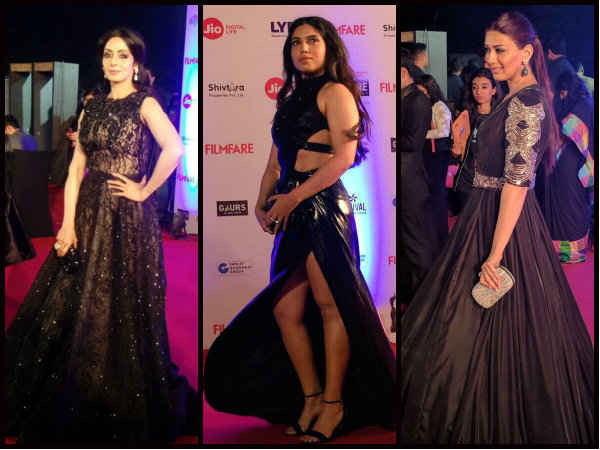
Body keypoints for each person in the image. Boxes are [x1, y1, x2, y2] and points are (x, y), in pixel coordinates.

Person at [400, 12, 594, 445]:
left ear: (526, 52)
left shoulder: (526, 102)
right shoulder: (516, 96)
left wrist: (495, 252)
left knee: (479, 325)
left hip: (502, 224)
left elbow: (517, 184)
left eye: (499, 49)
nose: (489, 58)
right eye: (487, 49)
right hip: (484, 215)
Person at [204, 16, 395, 444]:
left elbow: (343, 158)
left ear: (329, 47)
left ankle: (334, 403)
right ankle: (309, 397)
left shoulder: (336, 92)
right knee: (285, 310)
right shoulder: (289, 98)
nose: (303, 49)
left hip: (323, 208)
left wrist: (292, 199)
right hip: (291, 206)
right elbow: (275, 161)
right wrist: (263, 198)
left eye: (312, 40)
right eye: (295, 43)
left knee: (330, 307)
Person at [3, 27, 199, 443]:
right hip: (90, 208)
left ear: (136, 62)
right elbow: (76, 169)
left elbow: (175, 148)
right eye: (108, 54)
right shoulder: (91, 107)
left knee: (121, 295)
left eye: (122, 55)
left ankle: (114, 382)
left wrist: (144, 190)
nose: (114, 62)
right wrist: (67, 223)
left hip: (127, 214)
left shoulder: (145, 103)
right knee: (75, 289)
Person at [400, 48, 436, 311]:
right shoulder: (406, 98)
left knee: (416, 242)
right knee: (407, 242)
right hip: (404, 179)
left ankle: (425, 300)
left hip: (411, 181)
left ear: (403, 72)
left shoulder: (418, 100)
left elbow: (413, 142)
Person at [544, 69, 594, 263]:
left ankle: (570, 252)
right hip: (574, 167)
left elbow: (569, 129)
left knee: (570, 209)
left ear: (567, 90)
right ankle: (566, 251)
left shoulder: (582, 105)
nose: (560, 96)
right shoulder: (585, 102)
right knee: (570, 208)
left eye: (561, 92)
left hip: (573, 168)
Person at [451, 67, 502, 213]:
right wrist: (455, 149)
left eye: (484, 87)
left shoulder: (500, 118)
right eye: (475, 87)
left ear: (493, 90)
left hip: (491, 183)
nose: (478, 91)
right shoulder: (465, 117)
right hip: (467, 180)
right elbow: (457, 153)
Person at [416, 74, 452, 247]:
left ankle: (441, 235)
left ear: (431, 90)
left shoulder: (439, 106)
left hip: (438, 155)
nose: (421, 96)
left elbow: (444, 131)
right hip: (426, 154)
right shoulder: (423, 106)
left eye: (423, 92)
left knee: (437, 194)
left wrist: (420, 134)